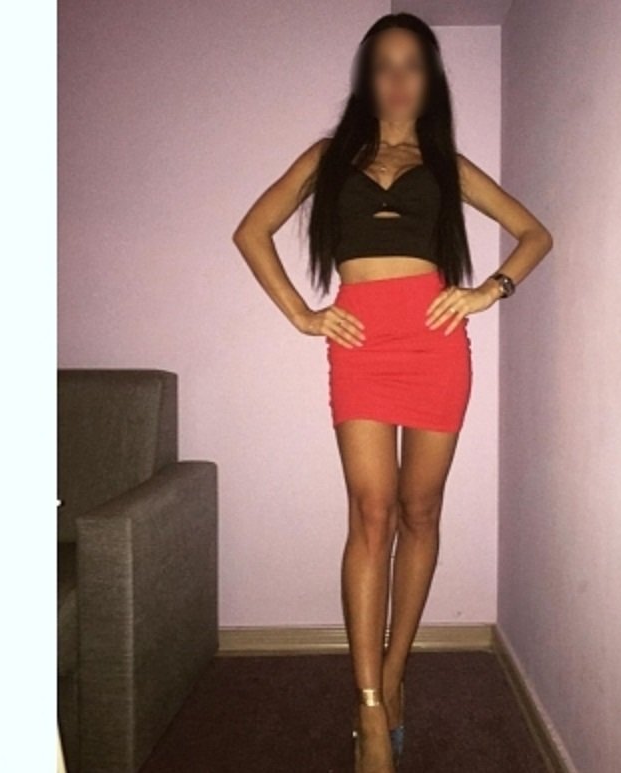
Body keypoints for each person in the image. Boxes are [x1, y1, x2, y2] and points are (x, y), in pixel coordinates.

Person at [232, 11, 553, 773]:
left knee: (420, 511)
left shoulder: (446, 163)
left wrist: (488, 290)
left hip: (435, 344)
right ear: (367, 76)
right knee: (371, 512)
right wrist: (303, 313)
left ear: (430, 78)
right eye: (385, 63)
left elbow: (534, 233)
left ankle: (397, 667)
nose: (399, 78)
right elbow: (251, 230)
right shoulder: (327, 156)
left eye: (413, 63)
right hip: (360, 345)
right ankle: (369, 703)